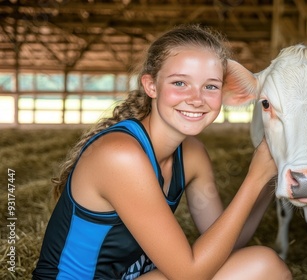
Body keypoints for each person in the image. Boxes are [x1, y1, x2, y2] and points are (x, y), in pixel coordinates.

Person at [32, 24, 292, 280]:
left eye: (210, 86)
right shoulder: (120, 155)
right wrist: (253, 178)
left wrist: (270, 175)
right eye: (180, 83)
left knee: (265, 265)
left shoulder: (192, 155)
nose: (196, 98)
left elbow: (229, 243)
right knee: (263, 265)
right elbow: (188, 273)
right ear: (151, 86)